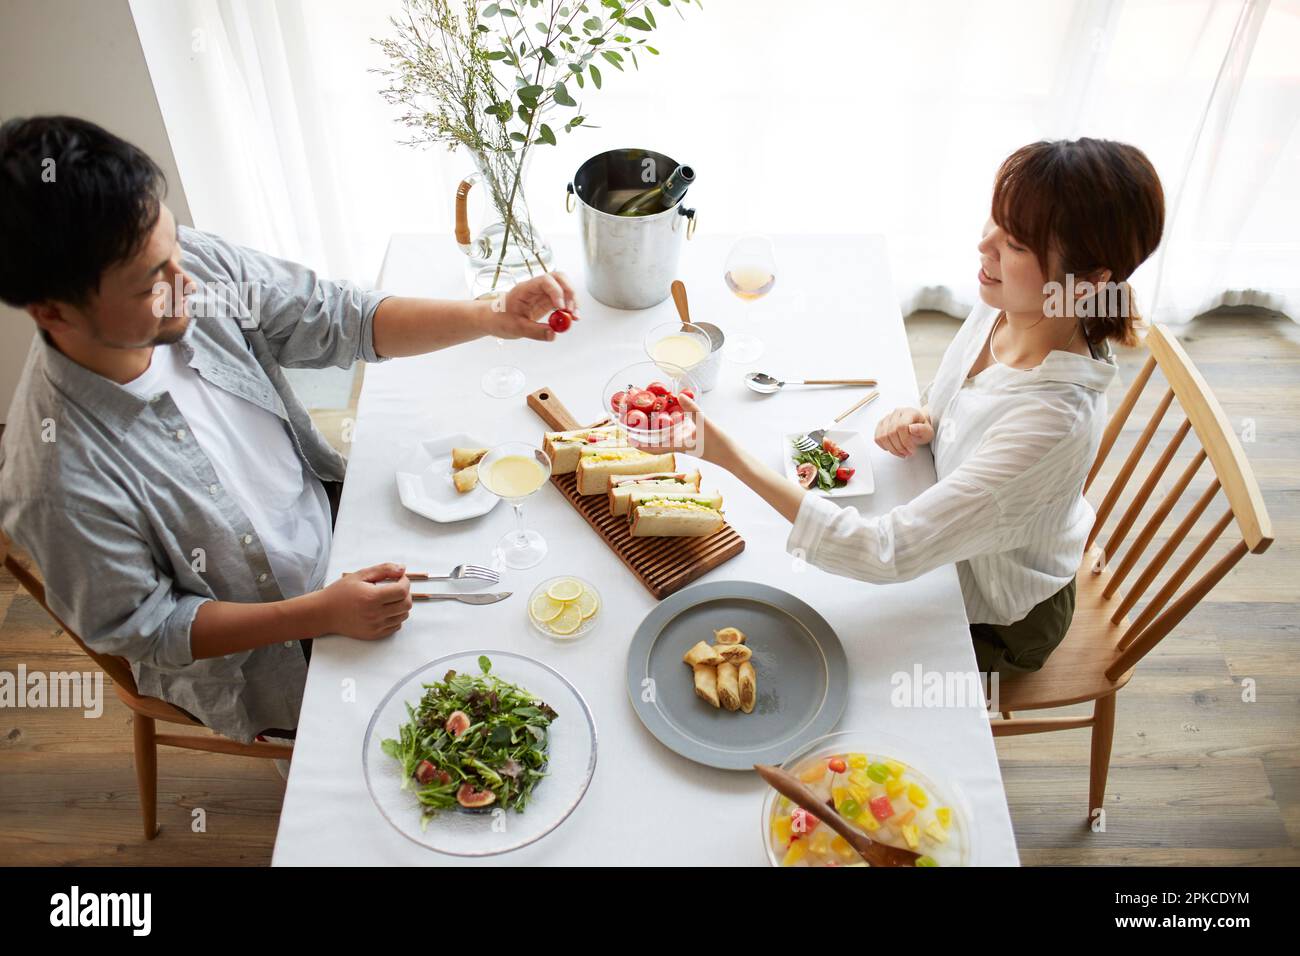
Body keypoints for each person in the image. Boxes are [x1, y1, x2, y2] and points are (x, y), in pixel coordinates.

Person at [0, 115, 579, 743]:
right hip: (271, 654)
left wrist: (491, 315)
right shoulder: (53, 477)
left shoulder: (177, 262)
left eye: (173, 246)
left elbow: (339, 317)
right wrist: (317, 615)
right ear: (53, 311)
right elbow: (150, 627)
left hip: (338, 521)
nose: (187, 282)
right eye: (151, 281)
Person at [637, 138, 1165, 676]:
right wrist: (926, 417)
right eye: (995, 222)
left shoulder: (1053, 423)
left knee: (830, 658)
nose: (985, 248)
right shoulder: (1010, 307)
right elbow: (953, 405)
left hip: (998, 615)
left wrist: (725, 453)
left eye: (1018, 245)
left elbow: (885, 552)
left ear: (1088, 284)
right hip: (948, 534)